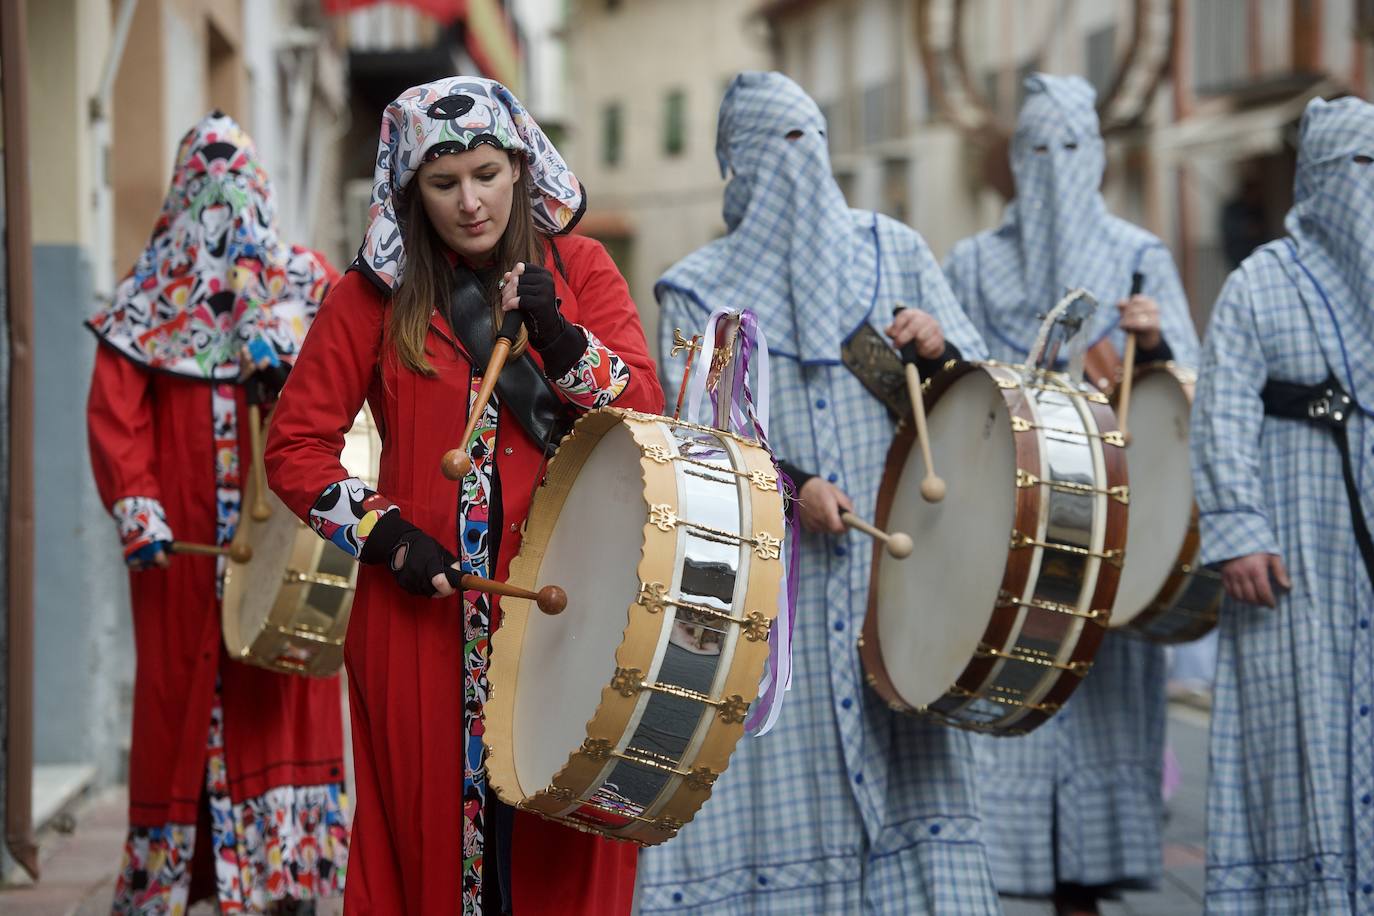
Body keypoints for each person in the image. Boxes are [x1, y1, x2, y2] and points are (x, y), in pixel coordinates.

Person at [264, 76, 661, 915]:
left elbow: (646, 419)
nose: (470, 202)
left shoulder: (582, 269)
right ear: (411, 190)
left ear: (519, 166)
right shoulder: (370, 297)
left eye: (486, 174)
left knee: (567, 841)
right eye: (443, 185)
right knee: (428, 843)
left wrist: (558, 338)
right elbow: (294, 448)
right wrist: (385, 535)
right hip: (421, 622)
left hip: (574, 612)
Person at [637, 70, 1000, 915]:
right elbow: (702, 453)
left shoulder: (894, 252)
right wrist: (790, 489)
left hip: (898, 590)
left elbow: (985, 411)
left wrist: (940, 350)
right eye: (778, 149)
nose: (800, 168)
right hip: (777, 606)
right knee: (782, 795)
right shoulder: (697, 291)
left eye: (811, 142)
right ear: (739, 166)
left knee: (917, 793)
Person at [942, 73, 1200, 915]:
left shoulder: (1137, 255)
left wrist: (1152, 344)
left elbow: (1189, 391)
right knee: (1011, 725)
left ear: (1096, 156)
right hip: (1011, 543)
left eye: (1071, 148)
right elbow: (960, 391)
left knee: (1102, 730)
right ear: (1016, 158)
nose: (1054, 167)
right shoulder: (974, 262)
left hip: (1108, 546)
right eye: (1037, 148)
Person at [86, 112, 347, 915]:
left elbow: (348, 387)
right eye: (208, 189)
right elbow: (116, 414)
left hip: (288, 554)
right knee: (180, 704)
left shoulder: (308, 288)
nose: (226, 211)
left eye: (241, 188)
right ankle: (177, 879)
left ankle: (287, 877)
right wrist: (139, 508)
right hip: (183, 561)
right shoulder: (146, 304)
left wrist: (291, 355)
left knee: (283, 694)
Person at [1191, 95, 1374, 914]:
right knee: (1293, 735)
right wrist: (1237, 531)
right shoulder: (1261, 284)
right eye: (1358, 172)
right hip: (1291, 557)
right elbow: (1220, 408)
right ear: (1322, 178)